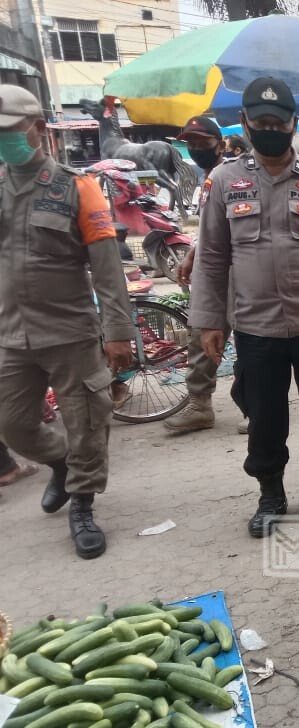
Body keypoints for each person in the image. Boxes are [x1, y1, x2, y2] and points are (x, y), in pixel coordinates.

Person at [190, 77, 299, 538]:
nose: (270, 129)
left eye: (278, 122)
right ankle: (270, 493)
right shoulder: (223, 180)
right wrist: (209, 320)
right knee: (263, 415)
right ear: (246, 122)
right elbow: (212, 256)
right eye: (261, 122)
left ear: (292, 124)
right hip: (256, 325)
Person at [0, 84, 135, 559]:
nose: (3, 140)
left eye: (10, 130)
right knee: (12, 424)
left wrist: (118, 332)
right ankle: (60, 462)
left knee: (87, 423)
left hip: (70, 330)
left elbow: (107, 267)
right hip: (10, 333)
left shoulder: (77, 187)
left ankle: (82, 504)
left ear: (38, 129)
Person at [165, 115, 244, 435]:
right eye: (192, 144)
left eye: (203, 142)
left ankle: (254, 406)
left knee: (249, 337)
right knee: (201, 333)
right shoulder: (207, 180)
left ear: (220, 145)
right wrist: (191, 255)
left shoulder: (237, 176)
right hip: (211, 268)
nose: (197, 148)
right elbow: (209, 230)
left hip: (241, 268)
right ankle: (199, 405)